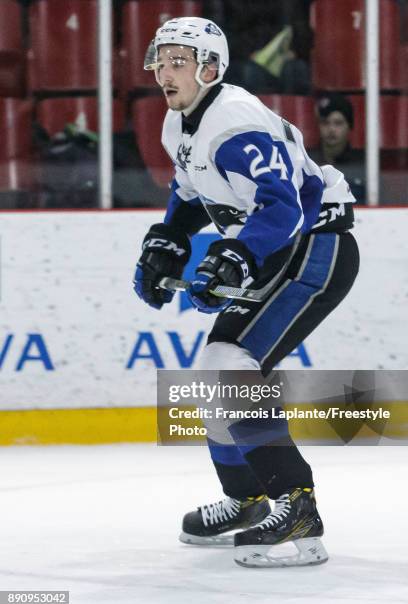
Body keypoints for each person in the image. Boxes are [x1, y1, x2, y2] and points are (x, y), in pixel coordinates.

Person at [134, 17, 359, 568]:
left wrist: (237, 255)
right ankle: (250, 500)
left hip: (316, 246)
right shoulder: (178, 122)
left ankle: (297, 508)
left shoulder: (234, 123)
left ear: (210, 68)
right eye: (162, 59)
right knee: (215, 371)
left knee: (227, 366)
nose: (166, 70)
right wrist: (170, 237)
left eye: (179, 60)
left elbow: (284, 209)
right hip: (287, 245)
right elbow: (191, 193)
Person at [310, 94, 366, 203]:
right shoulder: (307, 161)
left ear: (349, 126)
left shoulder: (364, 165)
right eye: (325, 122)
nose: (331, 129)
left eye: (338, 123)